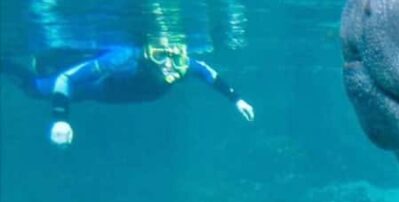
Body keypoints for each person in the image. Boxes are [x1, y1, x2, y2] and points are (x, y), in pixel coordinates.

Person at [3, 38, 254, 146]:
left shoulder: (182, 65)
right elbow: (66, 79)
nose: (169, 65)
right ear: (146, 55)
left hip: (112, 94)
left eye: (175, 58)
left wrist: (236, 99)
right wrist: (60, 119)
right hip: (95, 88)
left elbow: (208, 72)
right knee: (36, 89)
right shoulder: (122, 58)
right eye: (159, 55)